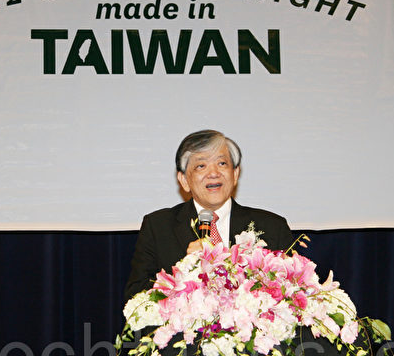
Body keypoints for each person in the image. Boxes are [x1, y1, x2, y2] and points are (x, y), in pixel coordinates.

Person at [124, 129, 294, 301]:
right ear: (184, 180)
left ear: (235, 174)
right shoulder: (158, 227)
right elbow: (136, 297)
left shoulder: (273, 227)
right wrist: (187, 272)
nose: (213, 173)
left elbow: (294, 293)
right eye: (201, 166)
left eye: (222, 163)